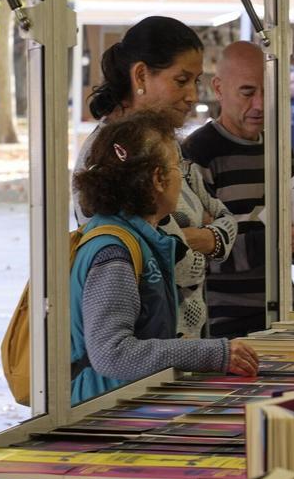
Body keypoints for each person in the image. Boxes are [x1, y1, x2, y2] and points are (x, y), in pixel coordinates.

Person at [71, 110, 259, 404]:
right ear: (159, 179)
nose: (181, 178)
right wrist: (210, 353)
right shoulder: (114, 253)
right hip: (105, 409)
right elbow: (112, 354)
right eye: (177, 167)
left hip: (126, 403)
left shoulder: (138, 239)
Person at [73, 16, 237, 339]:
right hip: (143, 349)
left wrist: (197, 236)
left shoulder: (168, 145)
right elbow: (171, 262)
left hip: (188, 343)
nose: (193, 95)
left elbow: (223, 219)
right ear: (140, 76)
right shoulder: (109, 154)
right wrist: (203, 236)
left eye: (196, 82)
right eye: (181, 80)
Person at [182, 42, 294, 338]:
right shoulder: (197, 154)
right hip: (224, 325)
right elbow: (197, 252)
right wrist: (276, 241)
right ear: (218, 88)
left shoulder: (280, 149)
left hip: (284, 312)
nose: (259, 104)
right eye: (247, 93)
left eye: (267, 92)